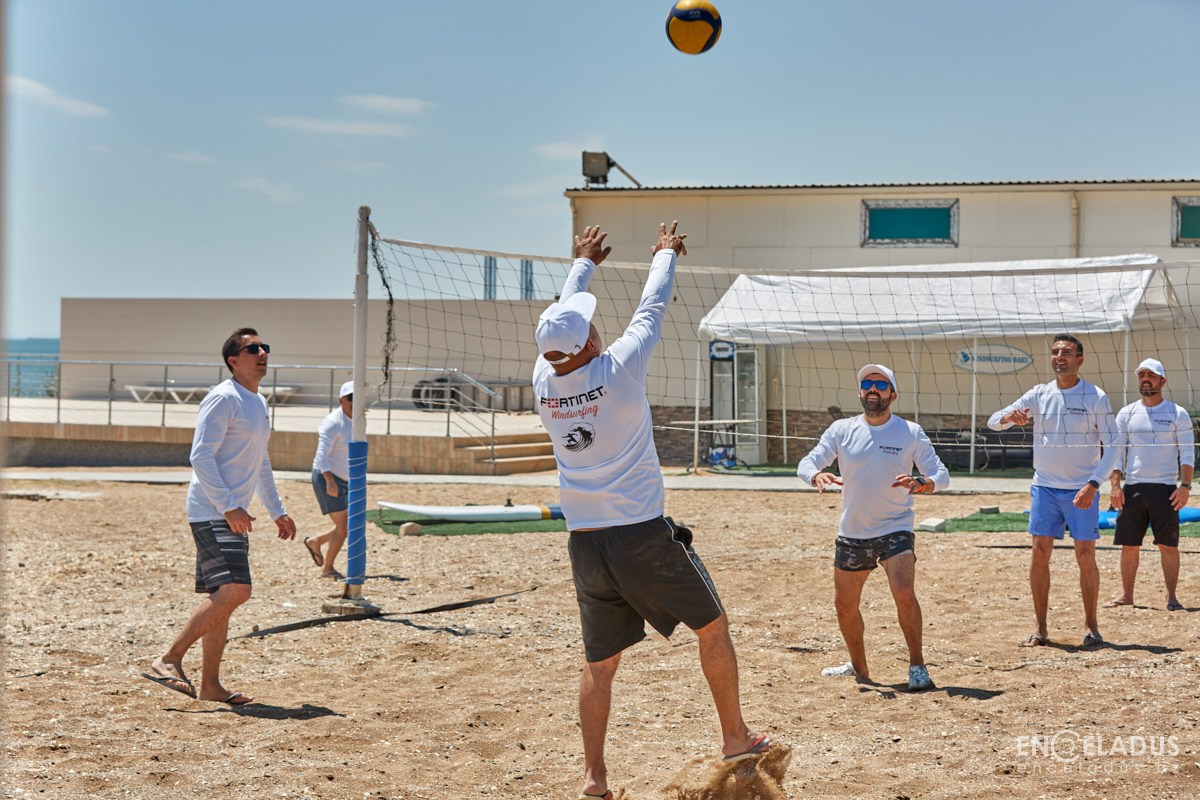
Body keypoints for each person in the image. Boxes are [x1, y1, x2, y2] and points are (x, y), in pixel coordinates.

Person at [534, 222, 769, 800]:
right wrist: (664, 253)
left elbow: (562, 324)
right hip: (641, 535)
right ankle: (735, 736)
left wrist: (581, 264)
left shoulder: (543, 378)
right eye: (590, 326)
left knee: (600, 663)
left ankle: (594, 779)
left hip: (585, 543)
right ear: (589, 342)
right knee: (712, 627)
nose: (596, 329)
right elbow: (652, 304)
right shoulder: (617, 371)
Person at [142, 328, 297, 705]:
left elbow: (261, 462)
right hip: (213, 510)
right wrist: (228, 504)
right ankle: (168, 658)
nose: (262, 353)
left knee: (222, 599)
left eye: (265, 348)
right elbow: (201, 456)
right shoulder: (223, 398)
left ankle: (210, 686)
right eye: (253, 348)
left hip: (232, 513)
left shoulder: (257, 403)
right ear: (233, 360)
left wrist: (278, 511)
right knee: (235, 591)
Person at [796, 364, 948, 692]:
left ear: (893, 394)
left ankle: (917, 665)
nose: (873, 390)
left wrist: (924, 483)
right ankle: (860, 668)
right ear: (861, 392)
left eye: (881, 385)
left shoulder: (909, 432)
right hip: (853, 532)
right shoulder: (841, 429)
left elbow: (941, 473)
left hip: (896, 529)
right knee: (844, 605)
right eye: (867, 384)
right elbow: (807, 462)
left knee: (904, 592)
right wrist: (815, 475)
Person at [988, 334, 1120, 649]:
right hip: (1045, 487)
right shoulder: (1039, 394)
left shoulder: (1095, 397)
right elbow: (993, 422)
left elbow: (1114, 445)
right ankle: (1040, 628)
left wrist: (1094, 484)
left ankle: (1091, 627)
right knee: (1039, 553)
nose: (1059, 357)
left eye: (1066, 352)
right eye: (1055, 352)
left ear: (1080, 360)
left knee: (1085, 555)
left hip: (1081, 489)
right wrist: (1010, 418)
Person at [1106, 358, 1192, 611]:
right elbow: (1116, 454)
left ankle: (1172, 597)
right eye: (1142, 374)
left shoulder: (1177, 413)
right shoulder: (1127, 412)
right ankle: (1127, 595)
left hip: (1166, 489)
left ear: (1162, 381)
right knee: (1129, 545)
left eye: (1151, 375)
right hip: (1132, 489)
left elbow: (1186, 454)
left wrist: (1185, 487)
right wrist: (1115, 486)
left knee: (1168, 546)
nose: (1146, 378)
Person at [304, 380, 355, 581]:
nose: (354, 402)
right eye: (350, 398)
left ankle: (315, 542)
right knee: (344, 527)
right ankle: (328, 569)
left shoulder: (358, 419)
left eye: (358, 397)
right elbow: (321, 455)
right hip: (328, 478)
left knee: (348, 525)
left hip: (345, 479)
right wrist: (330, 481)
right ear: (341, 400)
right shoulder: (333, 423)